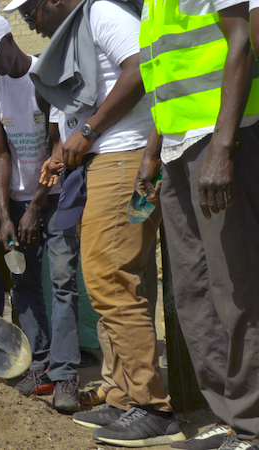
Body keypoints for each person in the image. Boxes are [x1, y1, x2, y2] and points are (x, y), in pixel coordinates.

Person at [14, 0, 182, 445]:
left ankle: (152, 406)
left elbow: (140, 67)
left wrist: (87, 132)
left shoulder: (103, 11)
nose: (31, 23)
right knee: (108, 283)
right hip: (103, 161)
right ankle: (125, 397)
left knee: (112, 281)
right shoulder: (80, 29)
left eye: (31, 13)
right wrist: (66, 150)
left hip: (123, 157)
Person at [135, 0, 259, 448]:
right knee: (193, 292)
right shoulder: (151, 6)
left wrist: (223, 147)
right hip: (176, 148)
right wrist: (153, 150)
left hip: (220, 137)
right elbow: (165, 81)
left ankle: (252, 427)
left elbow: (242, 41)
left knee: (236, 289)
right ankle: (230, 419)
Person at [0, 14, 82, 411]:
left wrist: (36, 206)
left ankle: (65, 375)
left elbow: (57, 148)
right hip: (17, 202)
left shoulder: (43, 77)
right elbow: (0, 153)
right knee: (22, 282)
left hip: (56, 196)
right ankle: (40, 365)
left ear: (9, 42)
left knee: (62, 281)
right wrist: (6, 214)